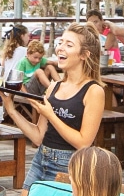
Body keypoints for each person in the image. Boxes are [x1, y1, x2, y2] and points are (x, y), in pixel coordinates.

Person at [8, 23, 108, 186]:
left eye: (69, 45)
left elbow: (83, 143)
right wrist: (11, 109)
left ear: (84, 55)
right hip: (40, 159)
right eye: (61, 42)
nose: (60, 48)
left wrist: (51, 115)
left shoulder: (94, 91)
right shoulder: (54, 87)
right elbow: (38, 136)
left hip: (69, 165)